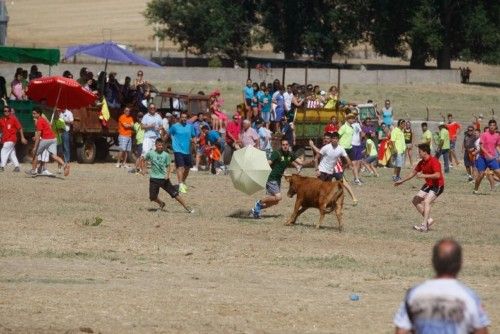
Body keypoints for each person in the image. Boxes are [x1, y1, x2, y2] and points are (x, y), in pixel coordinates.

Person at [394, 238, 490, 334]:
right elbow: (481, 331)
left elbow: (401, 331)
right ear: (460, 264)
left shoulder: (414, 294)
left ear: (433, 262)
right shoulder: (470, 297)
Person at [395, 143, 444, 232]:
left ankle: (424, 226)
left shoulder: (434, 161)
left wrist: (423, 175)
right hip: (429, 185)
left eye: (420, 152)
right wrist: (402, 181)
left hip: (438, 185)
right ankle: (429, 220)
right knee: (415, 200)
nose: (418, 154)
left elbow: (437, 175)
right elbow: (413, 173)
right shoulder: (422, 162)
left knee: (426, 202)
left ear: (425, 152)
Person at [250, 139, 303, 219]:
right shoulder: (276, 153)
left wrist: (298, 165)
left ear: (288, 145)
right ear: (281, 146)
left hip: (277, 179)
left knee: (275, 201)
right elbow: (269, 162)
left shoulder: (289, 154)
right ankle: (259, 203)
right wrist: (259, 162)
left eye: (286, 144)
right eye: (283, 145)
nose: (285, 146)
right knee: (278, 197)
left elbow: (297, 161)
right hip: (271, 178)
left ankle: (256, 210)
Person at [145, 138, 194, 213]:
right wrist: (143, 169)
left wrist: (167, 175)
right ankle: (161, 204)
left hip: (164, 179)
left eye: (162, 145)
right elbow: (144, 159)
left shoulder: (166, 155)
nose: (161, 146)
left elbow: (168, 166)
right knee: (152, 197)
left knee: (174, 194)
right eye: (159, 145)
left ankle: (187, 207)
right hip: (154, 178)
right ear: (155, 145)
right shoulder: (151, 153)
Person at [29, 107, 70, 176]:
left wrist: (35, 147)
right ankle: (65, 165)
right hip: (53, 138)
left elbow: (39, 135)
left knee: (35, 153)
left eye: (34, 113)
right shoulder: (43, 120)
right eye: (32, 113)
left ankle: (33, 170)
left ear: (39, 114)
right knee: (53, 156)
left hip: (46, 139)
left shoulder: (39, 121)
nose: (33, 115)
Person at [168, 112, 196, 193]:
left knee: (187, 168)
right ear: (180, 118)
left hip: (187, 150)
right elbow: (169, 134)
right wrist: (169, 142)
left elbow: (193, 136)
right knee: (180, 167)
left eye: (185, 117)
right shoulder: (175, 126)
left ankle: (183, 181)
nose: (184, 119)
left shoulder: (190, 127)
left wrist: (194, 142)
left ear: (187, 118)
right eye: (182, 117)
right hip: (177, 149)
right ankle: (180, 184)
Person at [473, 119, 500, 194]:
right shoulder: (484, 134)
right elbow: (481, 147)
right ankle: (475, 189)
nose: (492, 126)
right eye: (490, 125)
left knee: (498, 172)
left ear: (495, 126)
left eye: (493, 125)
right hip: (483, 158)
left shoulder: (497, 136)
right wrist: (488, 154)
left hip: (492, 159)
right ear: (489, 126)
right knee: (481, 175)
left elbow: (497, 146)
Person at [0, 106, 28, 172]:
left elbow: (20, 128)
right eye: (5, 111)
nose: (6, 112)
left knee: (3, 151)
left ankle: (2, 166)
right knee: (11, 154)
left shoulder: (13, 119)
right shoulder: (1, 120)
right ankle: (17, 166)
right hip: (5, 139)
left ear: (10, 112)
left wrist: (22, 137)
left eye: (8, 111)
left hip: (11, 139)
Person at [140, 103, 163, 173]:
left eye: (154, 108)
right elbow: (142, 126)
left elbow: (161, 126)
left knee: (155, 154)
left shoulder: (158, 116)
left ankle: (155, 169)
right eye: (151, 108)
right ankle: (143, 169)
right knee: (145, 153)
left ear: (155, 109)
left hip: (156, 137)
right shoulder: (146, 116)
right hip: (148, 137)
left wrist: (158, 128)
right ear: (149, 109)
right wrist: (150, 126)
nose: (152, 109)